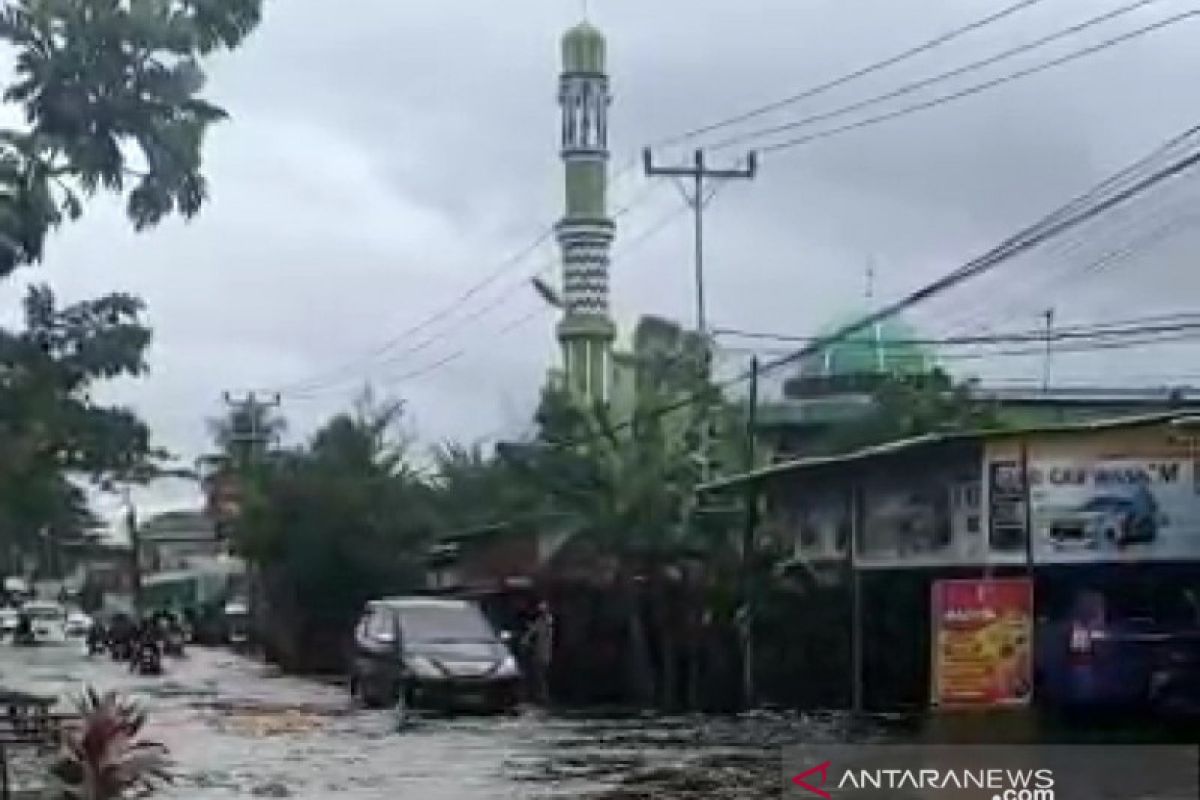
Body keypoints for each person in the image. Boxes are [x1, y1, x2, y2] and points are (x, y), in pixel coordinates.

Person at [522, 600, 555, 706]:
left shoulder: (545, 622)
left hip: (542, 653)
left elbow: (531, 634)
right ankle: (542, 696)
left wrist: (526, 641)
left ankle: (543, 697)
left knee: (540, 676)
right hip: (543, 653)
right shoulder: (545, 622)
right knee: (540, 676)